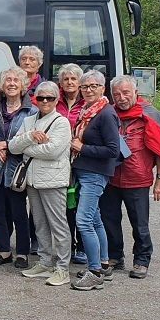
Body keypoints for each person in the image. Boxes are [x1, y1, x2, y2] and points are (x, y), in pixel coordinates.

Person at [101, 75, 160, 279]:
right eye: (117, 94)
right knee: (109, 220)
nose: (121, 97)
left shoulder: (149, 114)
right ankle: (114, 257)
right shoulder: (107, 113)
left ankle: (141, 260)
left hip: (137, 179)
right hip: (110, 177)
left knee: (139, 223)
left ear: (136, 92)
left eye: (126, 92)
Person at [9, 81, 73, 286]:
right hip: (33, 180)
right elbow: (12, 146)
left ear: (56, 100)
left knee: (58, 225)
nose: (45, 101)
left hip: (53, 180)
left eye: (50, 98)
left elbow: (53, 151)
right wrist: (30, 137)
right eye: (41, 97)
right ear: (35, 99)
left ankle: (62, 268)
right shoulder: (28, 121)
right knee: (40, 224)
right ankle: (45, 262)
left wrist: (27, 148)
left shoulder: (62, 122)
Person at [69, 70, 120, 290]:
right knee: (95, 220)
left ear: (102, 88)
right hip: (85, 171)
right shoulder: (87, 111)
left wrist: (83, 148)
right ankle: (104, 263)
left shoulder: (106, 114)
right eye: (84, 86)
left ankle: (94, 271)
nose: (88, 90)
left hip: (96, 174)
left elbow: (112, 150)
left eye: (93, 86)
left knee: (83, 221)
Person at [0, 67, 33, 269]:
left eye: (15, 81)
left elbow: (31, 139)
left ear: (22, 86)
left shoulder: (32, 112)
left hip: (16, 169)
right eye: (8, 80)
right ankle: (4, 251)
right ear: (2, 86)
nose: (11, 84)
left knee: (19, 213)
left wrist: (8, 145)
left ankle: (22, 253)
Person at [56, 62, 87, 265]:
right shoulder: (54, 100)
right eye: (65, 79)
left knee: (83, 204)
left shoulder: (87, 103)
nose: (69, 82)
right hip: (60, 160)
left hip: (82, 159)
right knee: (66, 204)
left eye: (73, 79)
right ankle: (69, 245)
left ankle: (83, 247)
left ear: (80, 82)